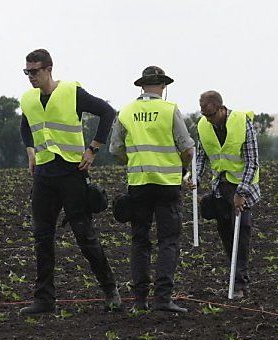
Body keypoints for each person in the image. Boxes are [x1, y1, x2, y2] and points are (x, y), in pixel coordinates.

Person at [19, 49, 120, 314]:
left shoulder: (71, 92)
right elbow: (25, 126)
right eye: (27, 72)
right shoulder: (28, 99)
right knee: (42, 238)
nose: (31, 77)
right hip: (43, 177)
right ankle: (44, 300)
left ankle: (111, 290)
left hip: (72, 175)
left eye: (35, 71)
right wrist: (30, 151)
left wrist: (93, 148)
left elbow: (107, 112)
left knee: (85, 237)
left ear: (49, 69)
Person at [109, 66, 194, 312]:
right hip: (167, 185)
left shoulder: (126, 111)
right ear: (163, 86)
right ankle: (163, 299)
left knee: (140, 241)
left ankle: (140, 300)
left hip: (138, 184)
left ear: (142, 86)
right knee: (168, 241)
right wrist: (181, 169)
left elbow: (115, 150)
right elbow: (187, 149)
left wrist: (134, 161)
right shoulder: (169, 110)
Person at [187, 90, 260, 299]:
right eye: (204, 114)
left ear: (221, 108)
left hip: (243, 186)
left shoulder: (242, 122)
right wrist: (195, 178)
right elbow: (201, 157)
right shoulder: (203, 125)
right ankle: (236, 280)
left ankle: (239, 282)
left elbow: (252, 161)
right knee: (227, 234)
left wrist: (241, 192)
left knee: (241, 233)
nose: (207, 119)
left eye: (211, 114)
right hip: (220, 186)